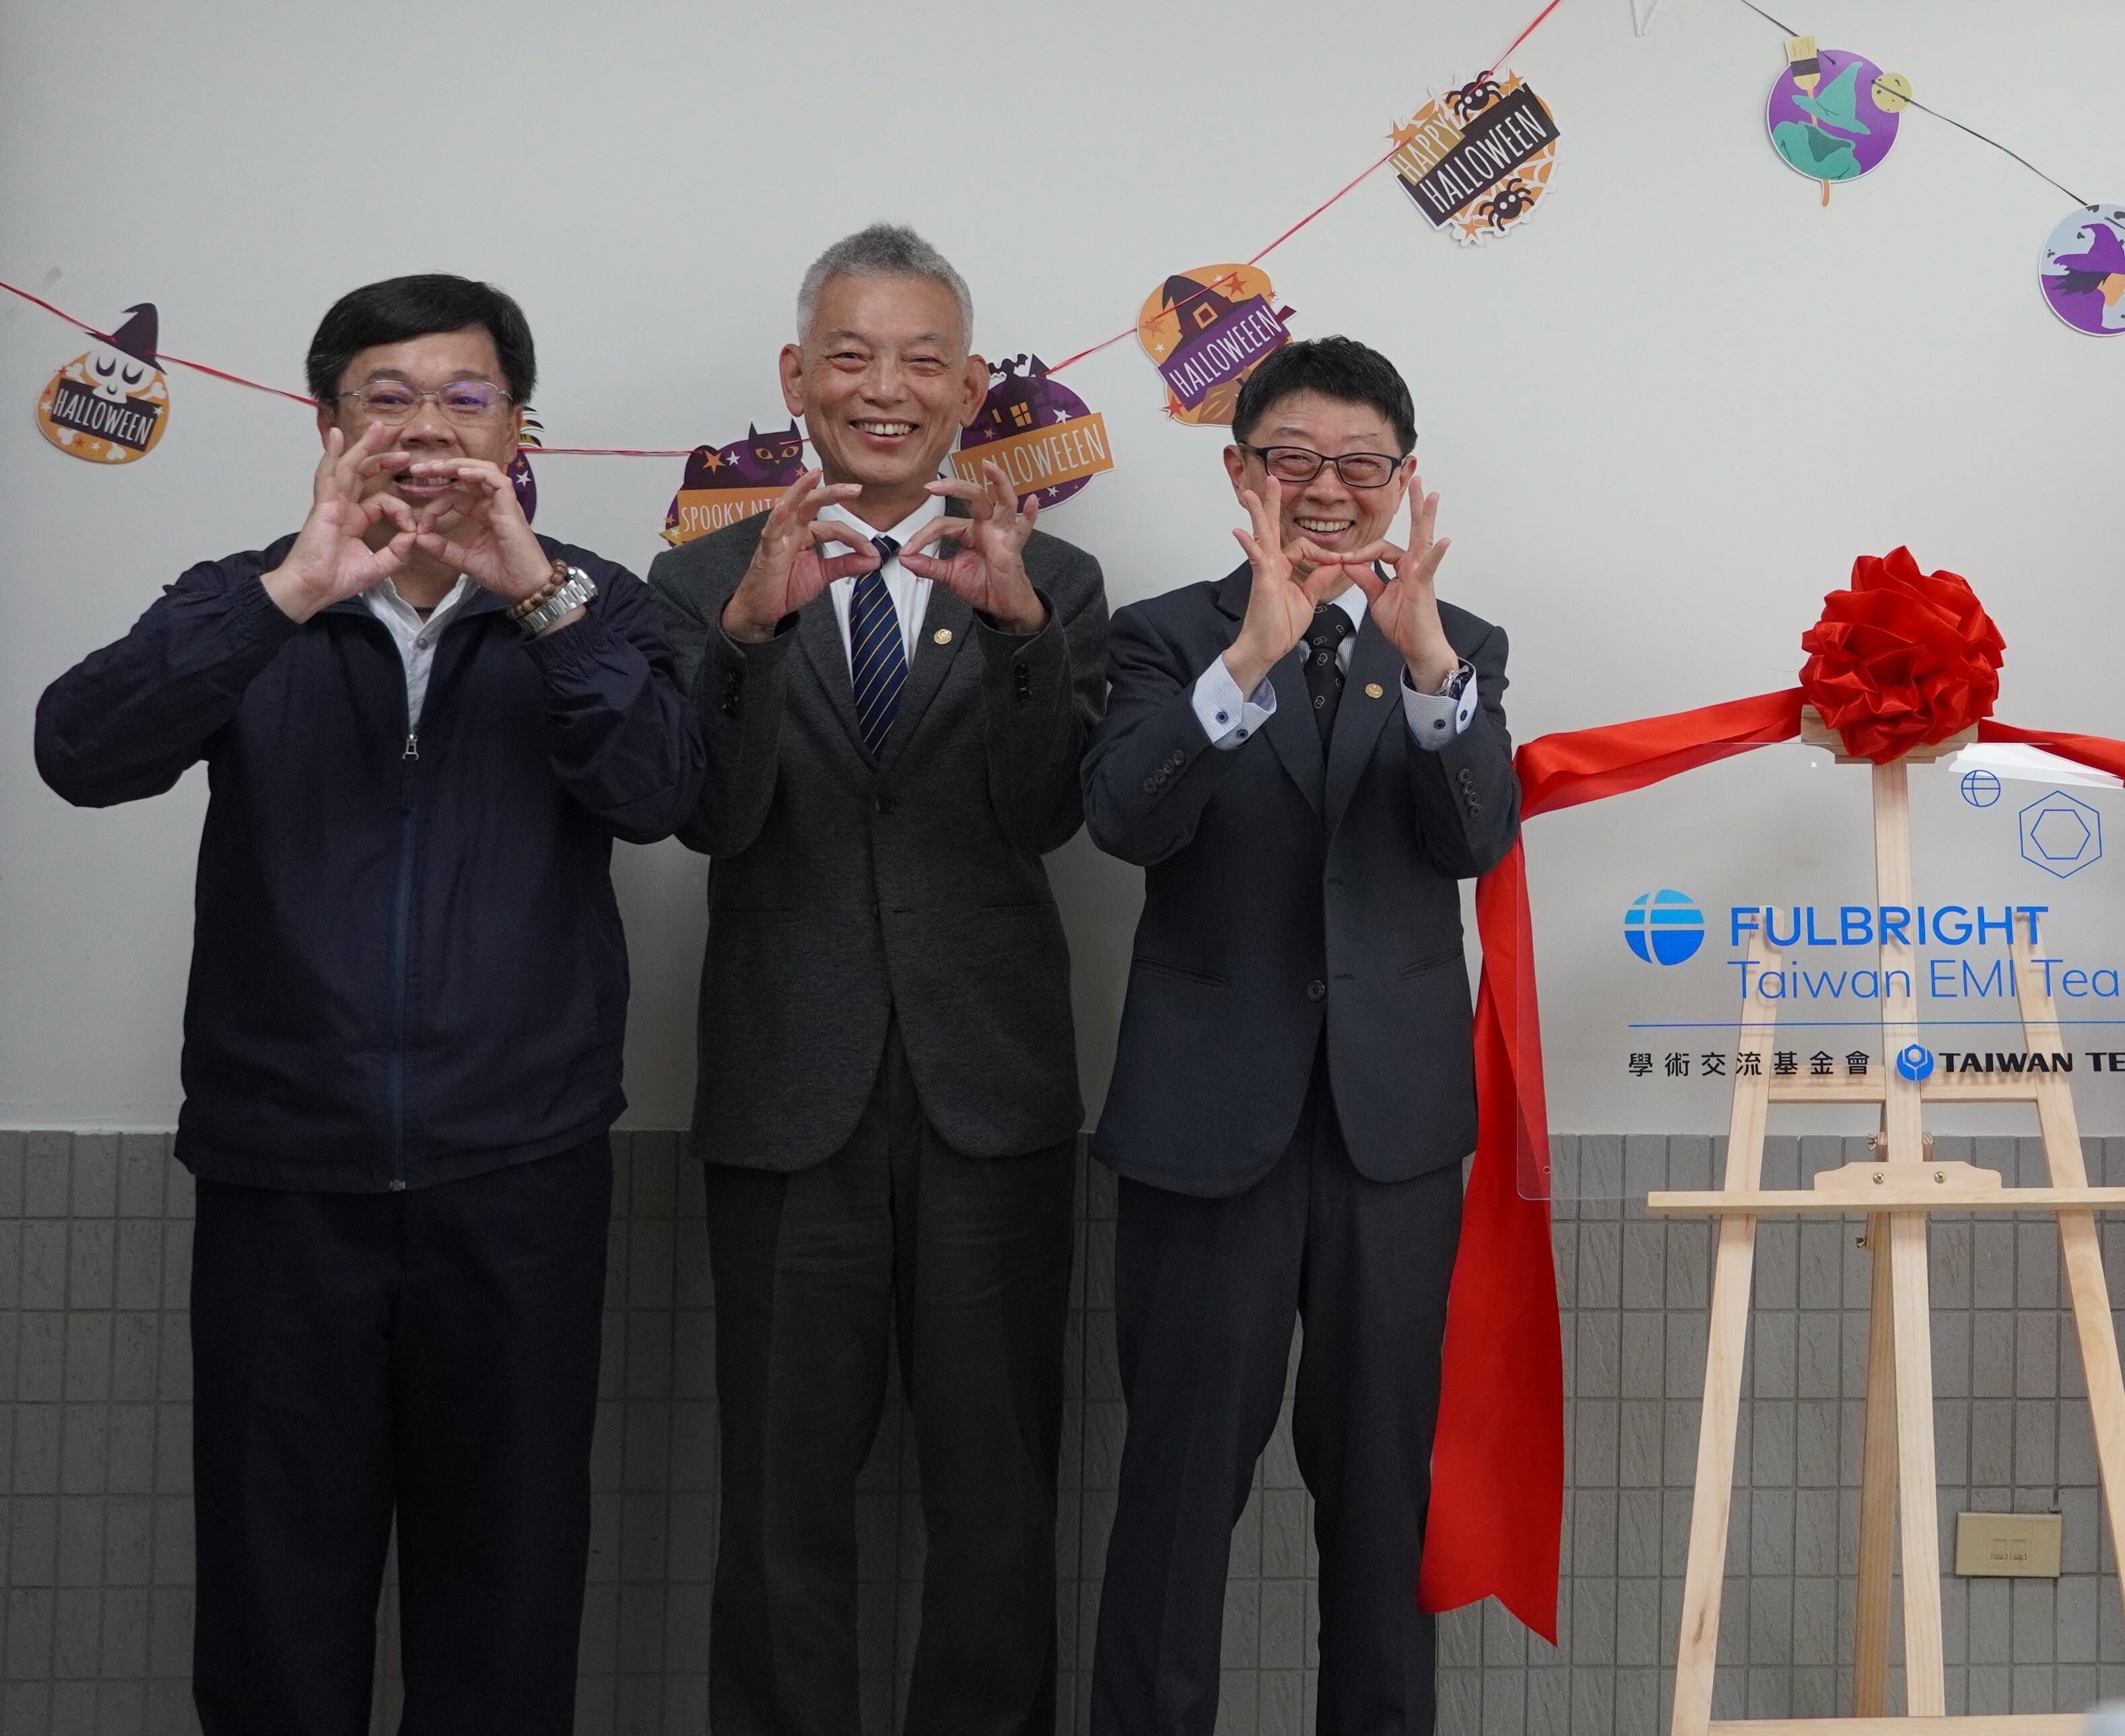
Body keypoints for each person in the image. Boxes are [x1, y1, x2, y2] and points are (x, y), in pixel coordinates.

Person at [33, 274, 702, 1734]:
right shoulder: (246, 597)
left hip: (520, 1173)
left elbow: (660, 794)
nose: (428, 428)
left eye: (468, 397)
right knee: (278, 1598)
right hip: (288, 1173)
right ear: (327, 424)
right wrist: (291, 597)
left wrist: (536, 592)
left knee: (509, 1594)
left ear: (520, 426)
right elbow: (78, 752)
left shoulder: (588, 602)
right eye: (387, 398)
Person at [645, 225, 1109, 1736]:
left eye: (922, 360)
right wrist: (749, 638)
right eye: (852, 356)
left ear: (972, 386)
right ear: (797, 376)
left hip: (993, 1095)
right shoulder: (700, 576)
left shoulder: (1057, 577)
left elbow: (1052, 816)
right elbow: (705, 816)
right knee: (782, 1499)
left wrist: (1024, 630)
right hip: (789, 1098)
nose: (886, 388)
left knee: (997, 1498)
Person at [1081, 335, 1520, 1735]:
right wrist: (1249, 659)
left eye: (1362, 466)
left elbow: (1473, 842)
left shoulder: (1457, 649)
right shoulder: (1158, 635)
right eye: (1295, 462)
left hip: (1391, 1138)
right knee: (1177, 1492)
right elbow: (1127, 823)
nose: (1329, 491)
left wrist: (1437, 671)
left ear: (1402, 484)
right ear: (1241, 473)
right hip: (1208, 1133)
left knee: (1387, 1494)